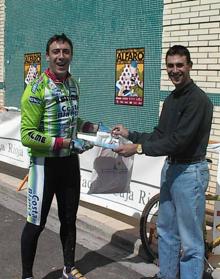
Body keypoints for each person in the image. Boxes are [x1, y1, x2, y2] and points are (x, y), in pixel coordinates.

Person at [112, 45, 213, 279]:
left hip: (190, 172)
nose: (175, 70)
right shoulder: (171, 99)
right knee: (166, 230)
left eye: (180, 65)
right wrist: (132, 134)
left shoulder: (198, 101)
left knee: (190, 241)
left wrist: (137, 148)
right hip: (171, 169)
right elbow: (160, 136)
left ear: (189, 66)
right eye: (170, 65)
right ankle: (167, 275)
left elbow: (179, 141)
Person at [20, 33, 98, 279]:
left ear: (71, 55)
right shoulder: (36, 89)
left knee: (69, 219)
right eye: (56, 52)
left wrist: (94, 129)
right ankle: (27, 275)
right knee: (36, 223)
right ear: (48, 56)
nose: (61, 56)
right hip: (44, 166)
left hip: (69, 164)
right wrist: (64, 143)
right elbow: (27, 135)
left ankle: (68, 267)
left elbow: (73, 121)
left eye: (65, 51)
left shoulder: (73, 83)